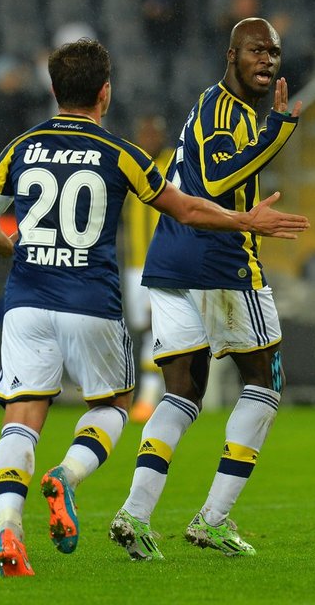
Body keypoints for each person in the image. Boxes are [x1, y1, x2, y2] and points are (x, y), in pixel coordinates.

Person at [0, 38, 308, 577]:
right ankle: (80, 479)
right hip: (98, 297)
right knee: (121, 405)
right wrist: (247, 217)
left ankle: (14, 527)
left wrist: (14, 251)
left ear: (53, 89)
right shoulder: (119, 151)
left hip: (32, 296)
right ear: (105, 92)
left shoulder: (21, 146)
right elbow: (191, 205)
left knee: (26, 419)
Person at [109, 18, 304, 561]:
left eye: (274, 52)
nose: (267, 60)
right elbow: (217, 181)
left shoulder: (215, 105)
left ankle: (134, 514)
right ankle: (213, 520)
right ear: (230, 56)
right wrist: (278, 132)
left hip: (170, 262)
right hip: (220, 262)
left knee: (182, 393)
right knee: (265, 382)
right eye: (255, 50)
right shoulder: (226, 112)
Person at [122, 114, 173, 423]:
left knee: (157, 327)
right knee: (144, 330)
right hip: (133, 266)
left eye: (153, 133)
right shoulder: (131, 165)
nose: (148, 138)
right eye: (144, 133)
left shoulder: (173, 163)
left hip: (163, 262)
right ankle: (162, 390)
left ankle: (149, 397)